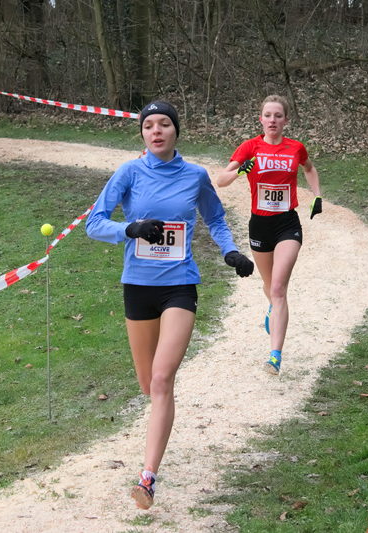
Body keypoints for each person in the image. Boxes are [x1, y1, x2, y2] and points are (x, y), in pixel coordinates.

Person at [85, 100, 254, 510]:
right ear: (141, 134)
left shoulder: (195, 176)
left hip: (180, 285)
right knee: (149, 386)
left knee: (162, 380)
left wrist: (230, 251)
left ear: (177, 131)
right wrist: (131, 228)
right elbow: (95, 221)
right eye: (149, 126)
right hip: (137, 286)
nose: (156, 131)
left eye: (164, 124)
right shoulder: (129, 172)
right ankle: (160, 429)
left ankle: (147, 478)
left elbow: (215, 219)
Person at [217, 94, 322, 376]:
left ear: (286, 120)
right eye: (268, 115)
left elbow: (309, 168)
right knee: (269, 287)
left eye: (278, 115)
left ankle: (275, 356)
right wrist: (241, 170)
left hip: (287, 224)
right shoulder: (249, 147)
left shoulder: (295, 148)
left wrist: (317, 196)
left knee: (278, 288)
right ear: (261, 119)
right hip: (259, 225)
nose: (273, 120)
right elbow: (220, 180)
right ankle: (273, 310)